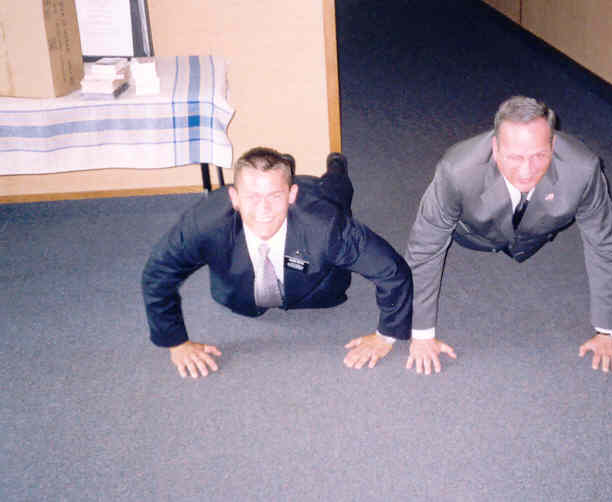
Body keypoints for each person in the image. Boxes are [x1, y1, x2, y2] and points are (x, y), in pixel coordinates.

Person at [405, 96, 612, 374]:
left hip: (537, 232)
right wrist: (421, 334)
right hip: (474, 234)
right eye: (515, 157)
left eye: (539, 156)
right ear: (495, 148)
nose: (526, 171)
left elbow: (606, 244)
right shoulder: (457, 170)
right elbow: (426, 246)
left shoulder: (582, 170)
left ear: (553, 145)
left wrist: (608, 332)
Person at [142, 147, 412, 378]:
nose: (263, 210)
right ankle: (284, 167)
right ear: (234, 198)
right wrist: (176, 343)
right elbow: (158, 274)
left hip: (319, 289)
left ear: (291, 195)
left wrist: (385, 335)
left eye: (274, 196)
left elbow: (392, 270)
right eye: (252, 197)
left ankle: (336, 166)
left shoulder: (326, 226)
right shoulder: (204, 224)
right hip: (238, 298)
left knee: (335, 191)